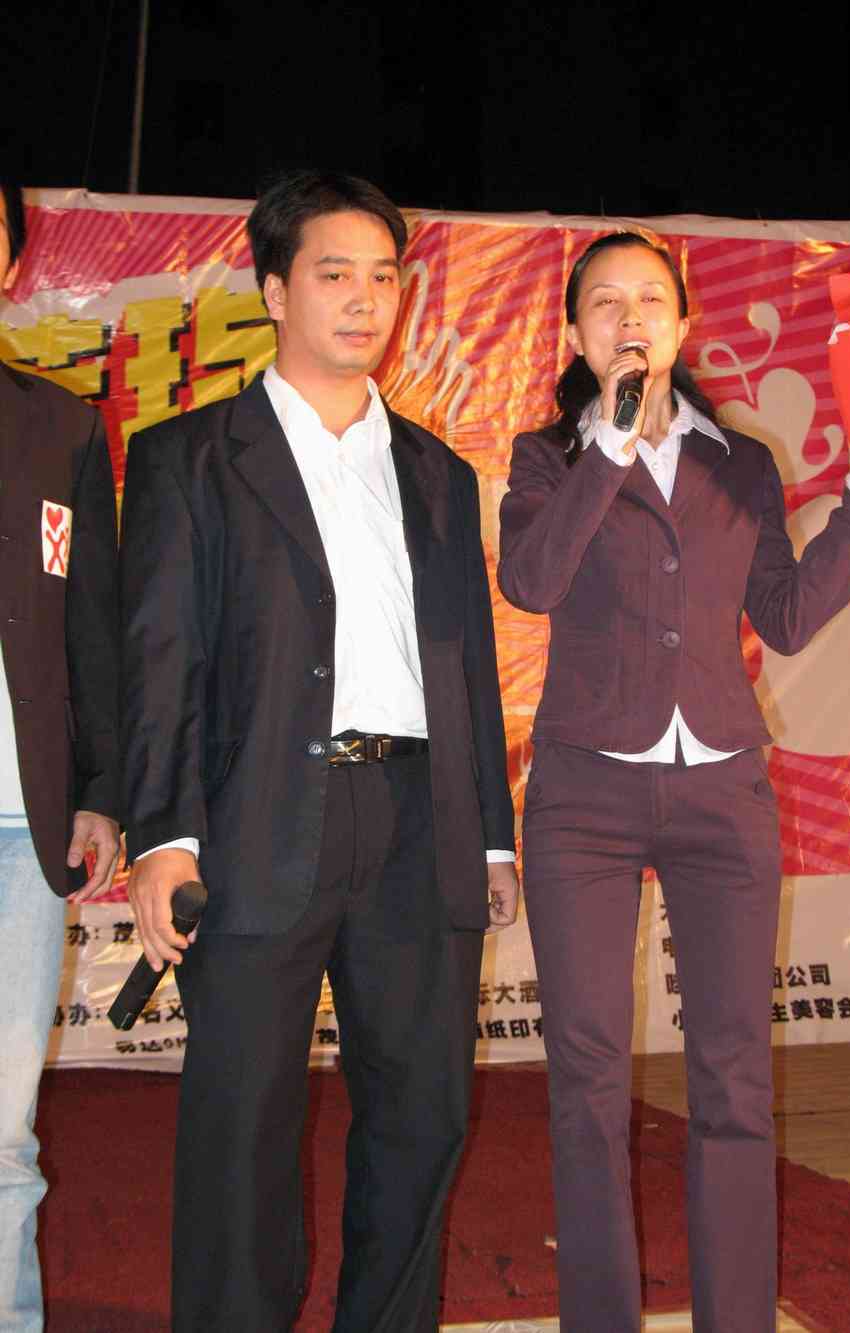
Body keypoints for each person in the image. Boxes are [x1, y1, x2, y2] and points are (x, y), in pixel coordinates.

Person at [119, 168, 518, 1333]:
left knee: (423, 1115)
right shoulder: (191, 457)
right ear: (273, 290)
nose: (363, 300)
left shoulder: (438, 474)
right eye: (334, 274)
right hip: (256, 817)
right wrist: (163, 833)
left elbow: (468, 669)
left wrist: (490, 837)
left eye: (383, 277)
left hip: (418, 820)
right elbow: (160, 658)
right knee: (241, 1124)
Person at [497, 231, 850, 1333]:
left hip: (723, 794)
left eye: (649, 298)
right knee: (587, 1078)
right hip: (583, 798)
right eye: (604, 302)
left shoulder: (740, 463)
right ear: (575, 333)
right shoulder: (548, 458)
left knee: (733, 1075)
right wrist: (611, 445)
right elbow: (530, 580)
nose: (628, 316)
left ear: (683, 323)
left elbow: (785, 613)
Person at [0, 182, 120, 1332]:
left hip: (15, 830)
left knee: (1, 1129)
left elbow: (94, 626)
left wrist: (100, 791)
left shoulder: (60, 428)